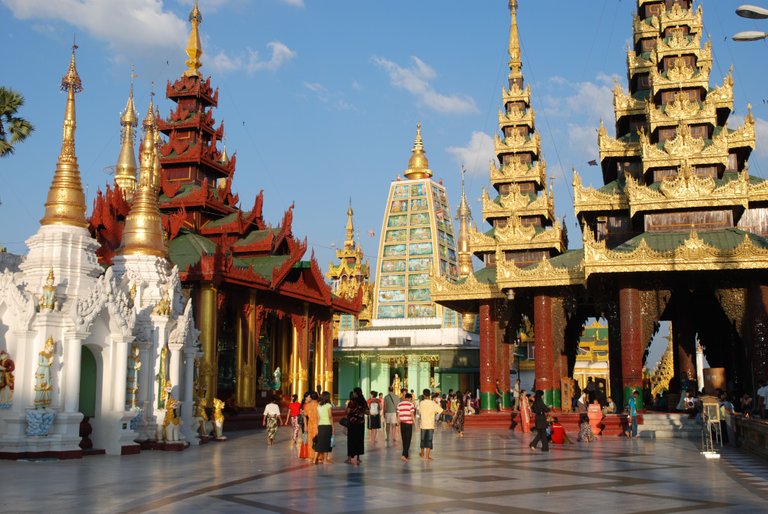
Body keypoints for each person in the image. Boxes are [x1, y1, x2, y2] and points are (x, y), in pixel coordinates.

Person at [345, 387, 368, 465]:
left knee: (351, 440)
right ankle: (358, 458)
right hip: (361, 423)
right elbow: (368, 412)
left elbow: (347, 411)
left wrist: (352, 411)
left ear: (356, 393)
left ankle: (350, 457)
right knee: (359, 440)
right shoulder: (363, 401)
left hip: (353, 423)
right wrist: (361, 411)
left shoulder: (352, 401)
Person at [418, 388, 442, 460]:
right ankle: (427, 457)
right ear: (429, 395)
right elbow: (441, 411)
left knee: (422, 440)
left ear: (424, 395)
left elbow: (419, 412)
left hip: (423, 425)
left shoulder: (421, 403)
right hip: (431, 425)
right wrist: (450, 413)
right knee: (429, 440)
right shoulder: (433, 403)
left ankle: (422, 453)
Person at [314, 391, 334, 464]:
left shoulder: (319, 405)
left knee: (319, 442)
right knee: (326, 443)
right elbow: (330, 417)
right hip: (327, 425)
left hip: (320, 425)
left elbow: (318, 417)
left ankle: (314, 459)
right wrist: (333, 427)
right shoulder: (328, 405)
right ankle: (325, 460)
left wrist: (317, 427)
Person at [397, 392, 416, 462]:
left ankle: (406, 455)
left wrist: (398, 423)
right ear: (410, 398)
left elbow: (398, 415)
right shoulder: (411, 404)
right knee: (408, 440)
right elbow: (412, 415)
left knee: (404, 439)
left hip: (402, 424)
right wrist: (415, 424)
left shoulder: (399, 404)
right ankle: (403, 455)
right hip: (408, 424)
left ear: (405, 398)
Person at [304, 391, 319, 461]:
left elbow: (304, 415)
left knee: (311, 440)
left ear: (311, 397)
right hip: (318, 424)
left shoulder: (307, 405)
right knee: (318, 440)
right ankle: (319, 457)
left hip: (310, 424)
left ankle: (311, 456)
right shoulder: (319, 405)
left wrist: (305, 426)